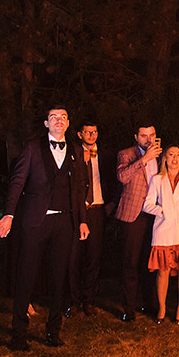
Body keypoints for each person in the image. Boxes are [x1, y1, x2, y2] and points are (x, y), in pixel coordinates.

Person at [0, 108, 88, 351]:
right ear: (46, 123)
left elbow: (79, 188)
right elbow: (17, 182)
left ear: (68, 123)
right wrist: (9, 214)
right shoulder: (32, 148)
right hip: (36, 221)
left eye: (63, 117)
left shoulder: (76, 150)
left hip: (64, 223)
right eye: (54, 117)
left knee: (59, 278)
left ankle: (53, 332)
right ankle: (18, 334)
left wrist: (82, 220)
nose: (59, 120)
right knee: (26, 276)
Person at [143, 144, 179, 324]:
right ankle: (162, 308)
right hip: (163, 231)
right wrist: (161, 211)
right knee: (163, 271)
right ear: (165, 158)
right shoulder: (157, 179)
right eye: (171, 155)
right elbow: (147, 204)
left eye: (178, 155)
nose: (175, 159)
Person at [114, 124, 162, 321]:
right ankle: (129, 307)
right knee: (131, 262)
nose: (149, 139)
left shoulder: (161, 155)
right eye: (144, 135)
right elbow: (122, 177)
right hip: (133, 214)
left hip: (155, 214)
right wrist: (144, 159)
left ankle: (150, 303)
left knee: (151, 262)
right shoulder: (126, 154)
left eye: (152, 135)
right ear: (136, 137)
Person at [70, 121, 109, 317]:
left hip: (98, 210)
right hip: (78, 210)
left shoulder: (106, 155)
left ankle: (89, 300)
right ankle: (74, 300)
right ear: (80, 134)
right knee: (74, 257)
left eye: (94, 132)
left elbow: (114, 179)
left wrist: (111, 205)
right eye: (87, 132)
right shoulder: (73, 154)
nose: (91, 135)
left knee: (94, 257)